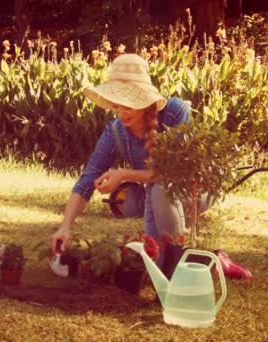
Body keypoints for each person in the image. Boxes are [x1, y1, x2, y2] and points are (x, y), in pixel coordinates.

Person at [50, 53, 191, 268]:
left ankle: (177, 266)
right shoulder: (115, 131)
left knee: (160, 191)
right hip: (155, 194)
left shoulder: (174, 113)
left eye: (129, 105)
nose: (121, 113)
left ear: (145, 102)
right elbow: (87, 179)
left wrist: (124, 174)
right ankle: (167, 264)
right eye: (117, 105)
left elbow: (178, 172)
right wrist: (65, 226)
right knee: (130, 203)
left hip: (192, 190)